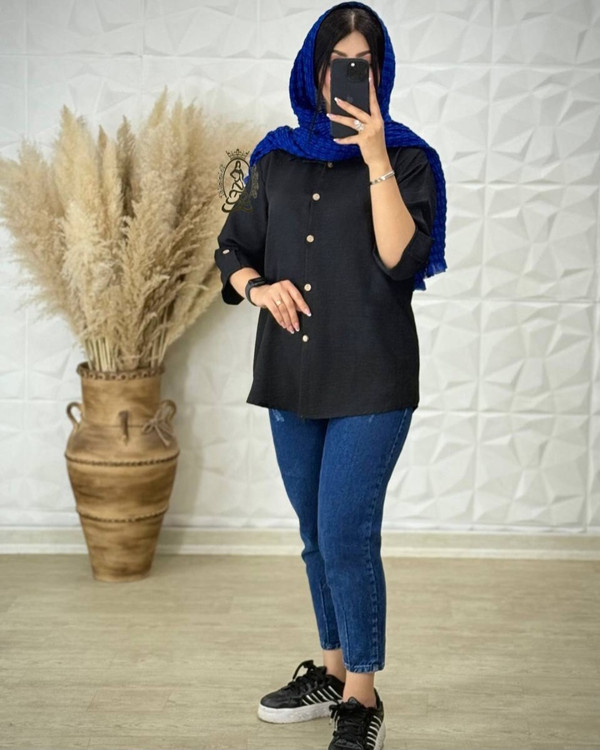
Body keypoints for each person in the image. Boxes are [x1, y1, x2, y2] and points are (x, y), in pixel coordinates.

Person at [214, 2, 447, 748]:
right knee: (316, 536)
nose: (348, 77)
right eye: (336, 64)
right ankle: (334, 670)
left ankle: (362, 698)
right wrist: (258, 287)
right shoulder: (273, 157)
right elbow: (231, 247)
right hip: (290, 374)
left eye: (362, 66)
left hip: (373, 378)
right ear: (313, 72)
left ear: (380, 74)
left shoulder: (409, 159)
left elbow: (399, 259)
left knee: (347, 533)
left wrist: (374, 155)